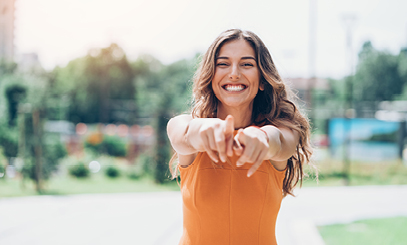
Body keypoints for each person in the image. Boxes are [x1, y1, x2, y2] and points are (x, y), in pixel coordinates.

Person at [167, 29, 313, 245]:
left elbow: (278, 142)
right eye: (223, 64)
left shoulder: (283, 131)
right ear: (211, 76)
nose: (234, 73)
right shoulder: (185, 124)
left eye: (246, 64)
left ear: (262, 80)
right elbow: (184, 135)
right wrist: (204, 130)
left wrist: (261, 137)